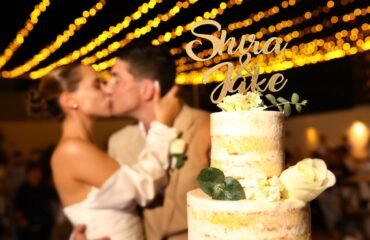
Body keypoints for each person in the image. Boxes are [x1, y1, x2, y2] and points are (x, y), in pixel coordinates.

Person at [38, 62, 182, 240]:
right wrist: (162, 126)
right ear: (69, 100)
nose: (107, 90)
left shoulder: (84, 145)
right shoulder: (72, 150)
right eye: (97, 84)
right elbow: (142, 187)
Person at [104, 42, 210, 240]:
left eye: (116, 79)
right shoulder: (118, 142)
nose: (108, 88)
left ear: (147, 89)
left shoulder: (207, 127)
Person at [13, 162, 55, 240]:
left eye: (38, 172)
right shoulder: (22, 189)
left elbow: (56, 199)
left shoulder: (46, 187)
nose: (36, 175)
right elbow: (17, 207)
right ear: (28, 174)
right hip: (28, 224)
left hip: (45, 224)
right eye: (34, 172)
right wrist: (21, 220)